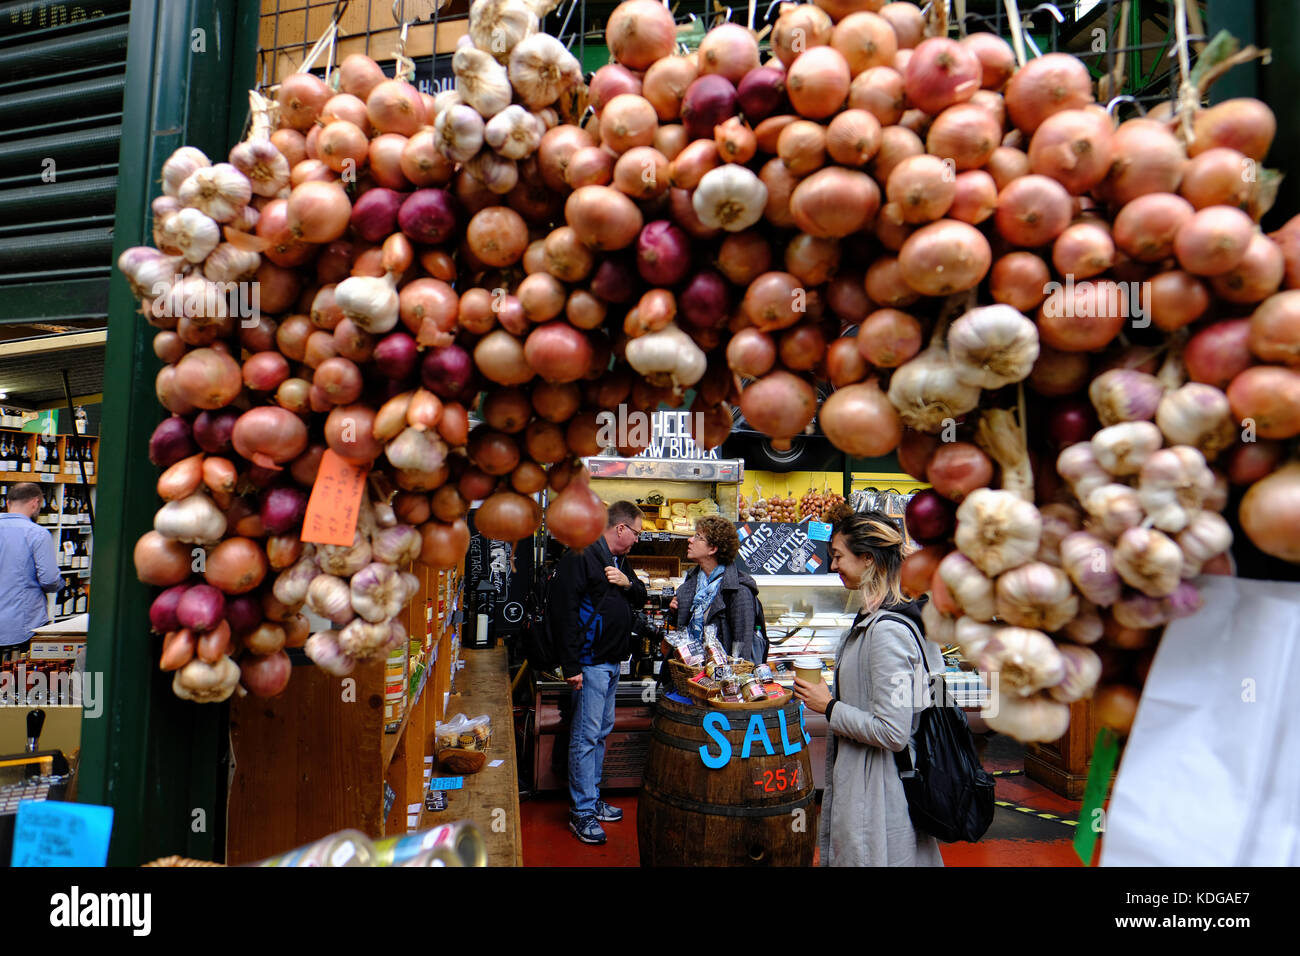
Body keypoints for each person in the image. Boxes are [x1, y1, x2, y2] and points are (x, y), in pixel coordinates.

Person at [793, 505, 944, 867]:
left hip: (878, 795)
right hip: (878, 786)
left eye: (838, 556)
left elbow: (892, 731)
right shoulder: (899, 615)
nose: (832, 567)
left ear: (867, 558)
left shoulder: (887, 630)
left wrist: (828, 706)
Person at [553, 500, 648, 845]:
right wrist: (572, 665)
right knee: (586, 736)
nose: (638, 539)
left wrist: (626, 582)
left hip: (611, 661)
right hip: (589, 663)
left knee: (601, 731)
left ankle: (591, 799)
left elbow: (640, 594)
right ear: (621, 528)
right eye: (636, 532)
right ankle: (581, 813)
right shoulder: (580, 556)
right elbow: (561, 612)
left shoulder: (619, 561)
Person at [668, 515, 765, 663]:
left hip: (719, 678)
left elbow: (742, 651)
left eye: (698, 537)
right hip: (690, 674)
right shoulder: (690, 584)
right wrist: (675, 613)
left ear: (712, 549)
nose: (690, 540)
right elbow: (682, 634)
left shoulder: (738, 591)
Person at [0, 483, 63, 652]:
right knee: (19, 677)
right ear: (35, 503)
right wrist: (60, 584)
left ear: (8, 503)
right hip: (21, 627)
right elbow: (50, 580)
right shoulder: (37, 534)